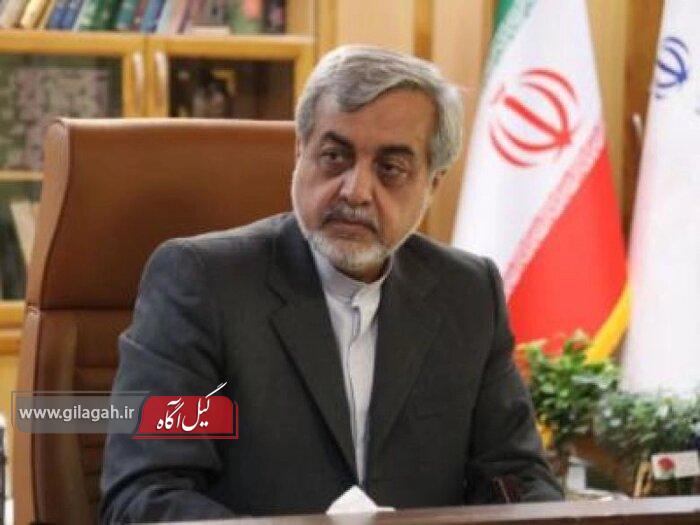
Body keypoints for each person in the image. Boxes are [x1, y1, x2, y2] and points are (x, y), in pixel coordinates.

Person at [100, 45, 562, 523]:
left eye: (390, 168)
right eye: (335, 156)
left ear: (432, 184)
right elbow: (146, 495)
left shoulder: (467, 294)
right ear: (300, 154)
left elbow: (516, 478)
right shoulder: (204, 285)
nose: (355, 191)